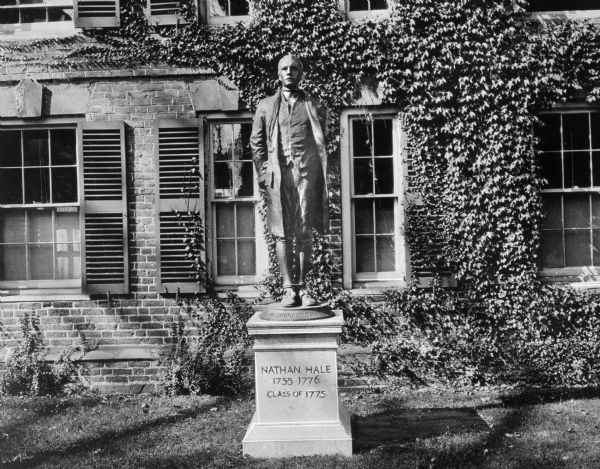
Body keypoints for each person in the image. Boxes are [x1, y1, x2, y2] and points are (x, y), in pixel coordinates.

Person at [250, 55, 329, 307]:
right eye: (284, 68)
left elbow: (322, 142)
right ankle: (287, 289)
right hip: (278, 175)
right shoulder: (266, 105)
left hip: (306, 174)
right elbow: (256, 142)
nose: (289, 72)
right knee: (282, 232)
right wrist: (264, 174)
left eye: (294, 68)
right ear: (278, 74)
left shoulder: (313, 106)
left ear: (301, 74)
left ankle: (304, 288)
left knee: (305, 230)